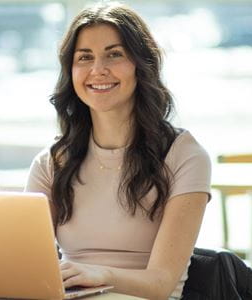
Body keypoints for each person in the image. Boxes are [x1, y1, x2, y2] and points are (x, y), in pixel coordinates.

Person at [25, 2, 211, 299]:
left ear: (141, 64)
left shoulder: (184, 155)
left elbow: (161, 283)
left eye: (114, 54)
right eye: (84, 57)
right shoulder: (52, 162)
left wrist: (101, 275)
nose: (98, 70)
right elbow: (26, 264)